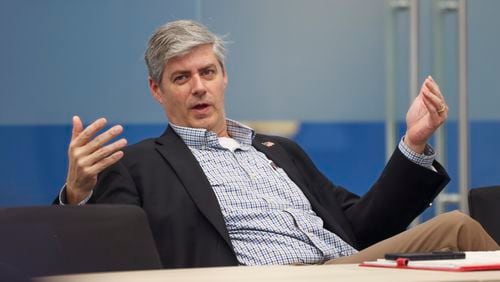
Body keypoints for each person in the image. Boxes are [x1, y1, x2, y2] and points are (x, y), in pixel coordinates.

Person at [57, 20, 499, 268]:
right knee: (458, 229)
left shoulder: (278, 150)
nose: (198, 88)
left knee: (458, 236)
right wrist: (77, 193)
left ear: (224, 77)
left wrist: (414, 144)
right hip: (265, 276)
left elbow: (362, 229)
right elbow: (110, 251)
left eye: (207, 73)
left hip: (348, 269)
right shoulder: (138, 163)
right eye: (181, 78)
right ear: (157, 91)